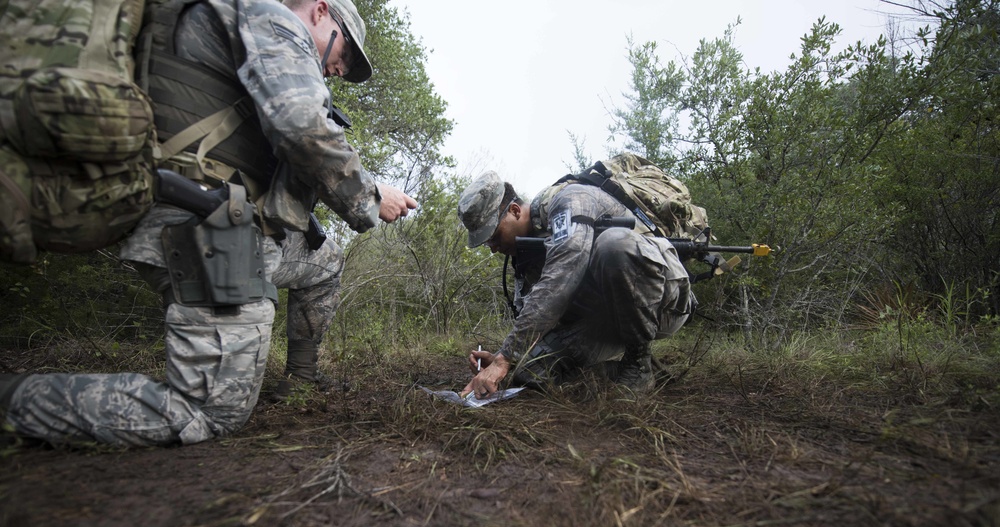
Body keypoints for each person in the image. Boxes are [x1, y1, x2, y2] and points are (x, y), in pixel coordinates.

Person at [0, 0, 416, 446]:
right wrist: (372, 196)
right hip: (204, 225)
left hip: (233, 223)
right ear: (319, 12)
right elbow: (302, 127)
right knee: (210, 411)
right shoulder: (274, 19)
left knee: (326, 264)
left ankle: (301, 379)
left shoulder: (246, 31)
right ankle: (14, 404)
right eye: (345, 54)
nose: (339, 70)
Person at [458, 171, 695, 398]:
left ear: (515, 210)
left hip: (663, 301)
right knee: (531, 372)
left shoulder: (569, 200)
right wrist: (504, 357)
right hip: (605, 320)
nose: (493, 247)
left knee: (614, 246)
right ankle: (621, 372)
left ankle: (639, 364)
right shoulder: (525, 258)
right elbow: (541, 317)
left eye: (494, 236)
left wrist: (505, 357)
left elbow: (562, 277)